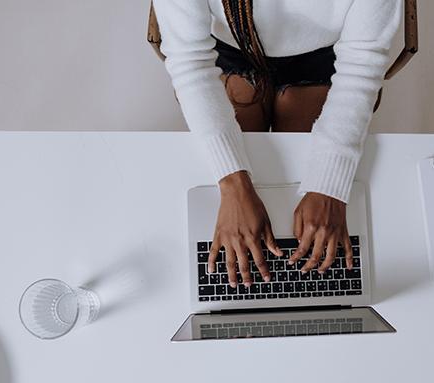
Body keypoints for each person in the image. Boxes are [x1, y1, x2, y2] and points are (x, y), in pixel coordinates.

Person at [153, 0, 402, 288]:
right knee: (234, 232)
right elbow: (190, 60)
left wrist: (328, 187)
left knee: (301, 228)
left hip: (324, 53)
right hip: (232, 46)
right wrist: (232, 183)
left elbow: (362, 62)